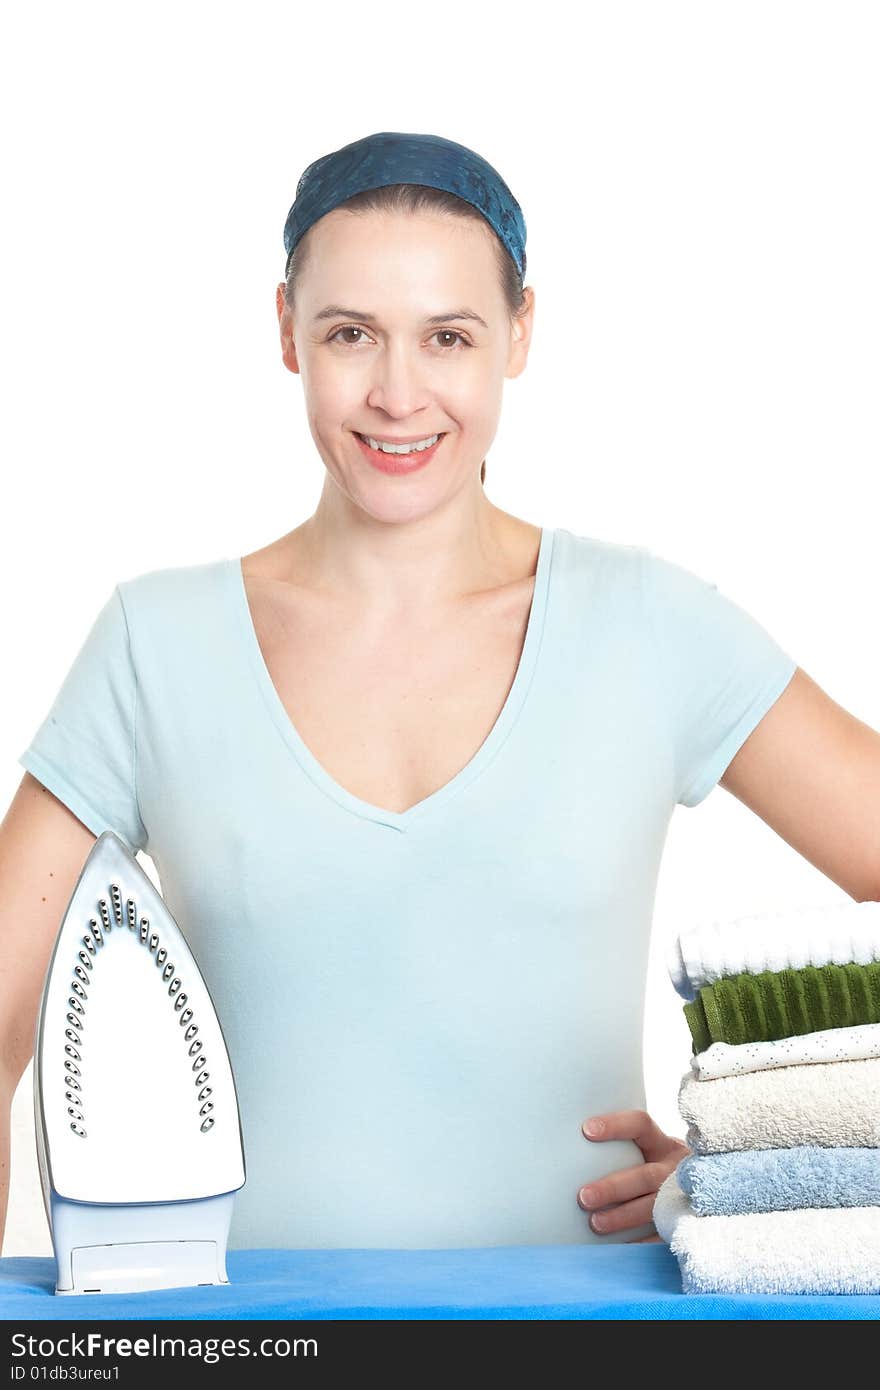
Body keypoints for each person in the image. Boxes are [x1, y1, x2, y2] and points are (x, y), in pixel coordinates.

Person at [3, 131, 872, 1255]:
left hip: (582, 1334)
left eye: (447, 337)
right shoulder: (153, 644)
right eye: (350, 333)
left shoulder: (649, 625)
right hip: (258, 1337)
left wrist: (777, 1154)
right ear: (285, 332)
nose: (397, 393)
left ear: (518, 334)